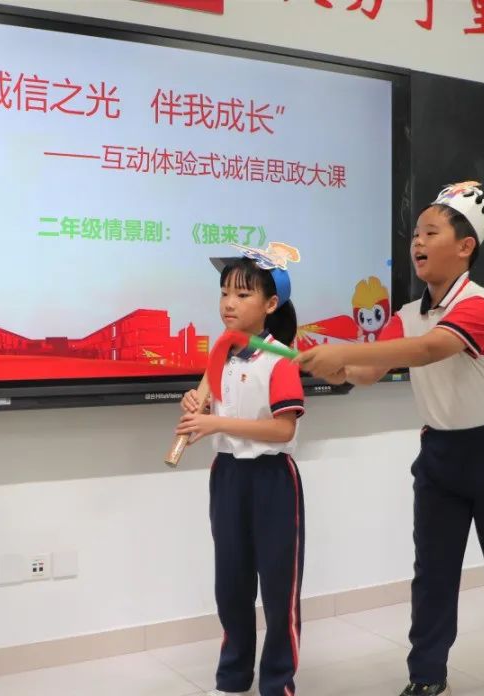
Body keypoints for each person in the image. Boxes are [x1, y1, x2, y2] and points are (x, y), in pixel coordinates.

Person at [295, 182, 484, 696]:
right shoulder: (406, 314)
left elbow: (429, 350)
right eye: (416, 235)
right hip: (440, 453)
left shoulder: (480, 305)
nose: (418, 243)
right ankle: (426, 675)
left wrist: (345, 354)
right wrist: (336, 368)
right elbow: (366, 373)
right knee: (433, 571)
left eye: (431, 232)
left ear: (466, 246)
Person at [176, 246, 306, 696]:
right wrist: (197, 406)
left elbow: (283, 429)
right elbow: (211, 404)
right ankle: (232, 680)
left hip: (272, 480)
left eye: (243, 294)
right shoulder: (223, 352)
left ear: (271, 304)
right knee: (231, 586)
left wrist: (216, 423)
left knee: (279, 591)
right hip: (228, 476)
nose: (229, 303)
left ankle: (278, 684)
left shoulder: (280, 358)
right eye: (224, 293)